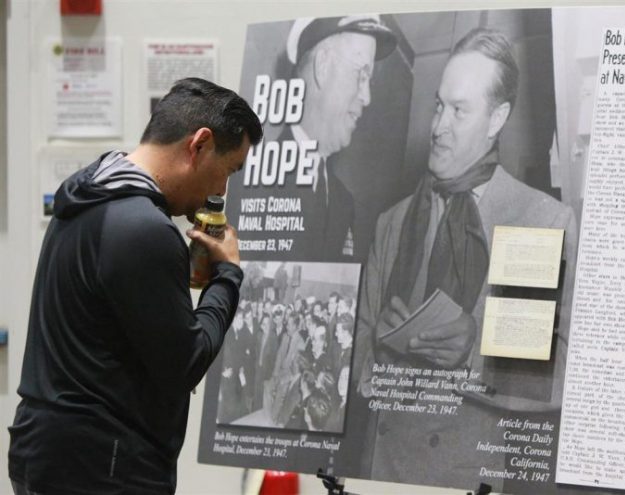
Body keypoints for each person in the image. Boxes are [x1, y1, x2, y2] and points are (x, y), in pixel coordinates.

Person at [8, 78, 263, 494]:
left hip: (47, 450)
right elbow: (186, 362)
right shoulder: (143, 228)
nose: (221, 191)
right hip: (104, 467)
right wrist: (228, 275)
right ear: (199, 145)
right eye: (229, 170)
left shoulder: (87, 192)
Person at [354, 28, 578, 488]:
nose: (438, 127)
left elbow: (570, 377)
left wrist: (473, 354)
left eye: (459, 111)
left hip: (464, 478)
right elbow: (356, 338)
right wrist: (376, 351)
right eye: (439, 105)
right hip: (379, 469)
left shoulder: (536, 220)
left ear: (497, 119)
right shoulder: (391, 223)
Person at [265, 15, 397, 260]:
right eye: (361, 75)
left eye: (369, 81)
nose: (366, 97)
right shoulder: (251, 183)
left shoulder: (342, 201)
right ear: (322, 66)